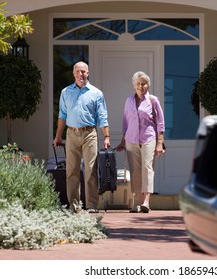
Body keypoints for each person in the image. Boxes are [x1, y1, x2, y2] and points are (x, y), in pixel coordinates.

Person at [53, 61, 110, 213]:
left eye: (84, 71)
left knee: (91, 170)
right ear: (73, 73)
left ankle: (91, 205)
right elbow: (62, 115)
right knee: (71, 171)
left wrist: (106, 137)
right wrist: (58, 136)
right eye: (78, 71)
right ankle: (74, 205)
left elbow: (102, 117)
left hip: (89, 133)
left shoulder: (96, 93)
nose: (81, 74)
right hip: (71, 133)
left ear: (88, 73)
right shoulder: (66, 92)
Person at [115, 71, 165, 213]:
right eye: (138, 83)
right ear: (134, 85)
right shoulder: (129, 101)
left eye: (143, 83)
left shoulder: (153, 100)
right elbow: (126, 123)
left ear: (148, 85)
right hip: (131, 140)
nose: (140, 86)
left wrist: (160, 142)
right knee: (135, 171)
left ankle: (147, 202)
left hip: (149, 138)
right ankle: (139, 202)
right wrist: (122, 142)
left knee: (147, 168)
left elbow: (160, 122)